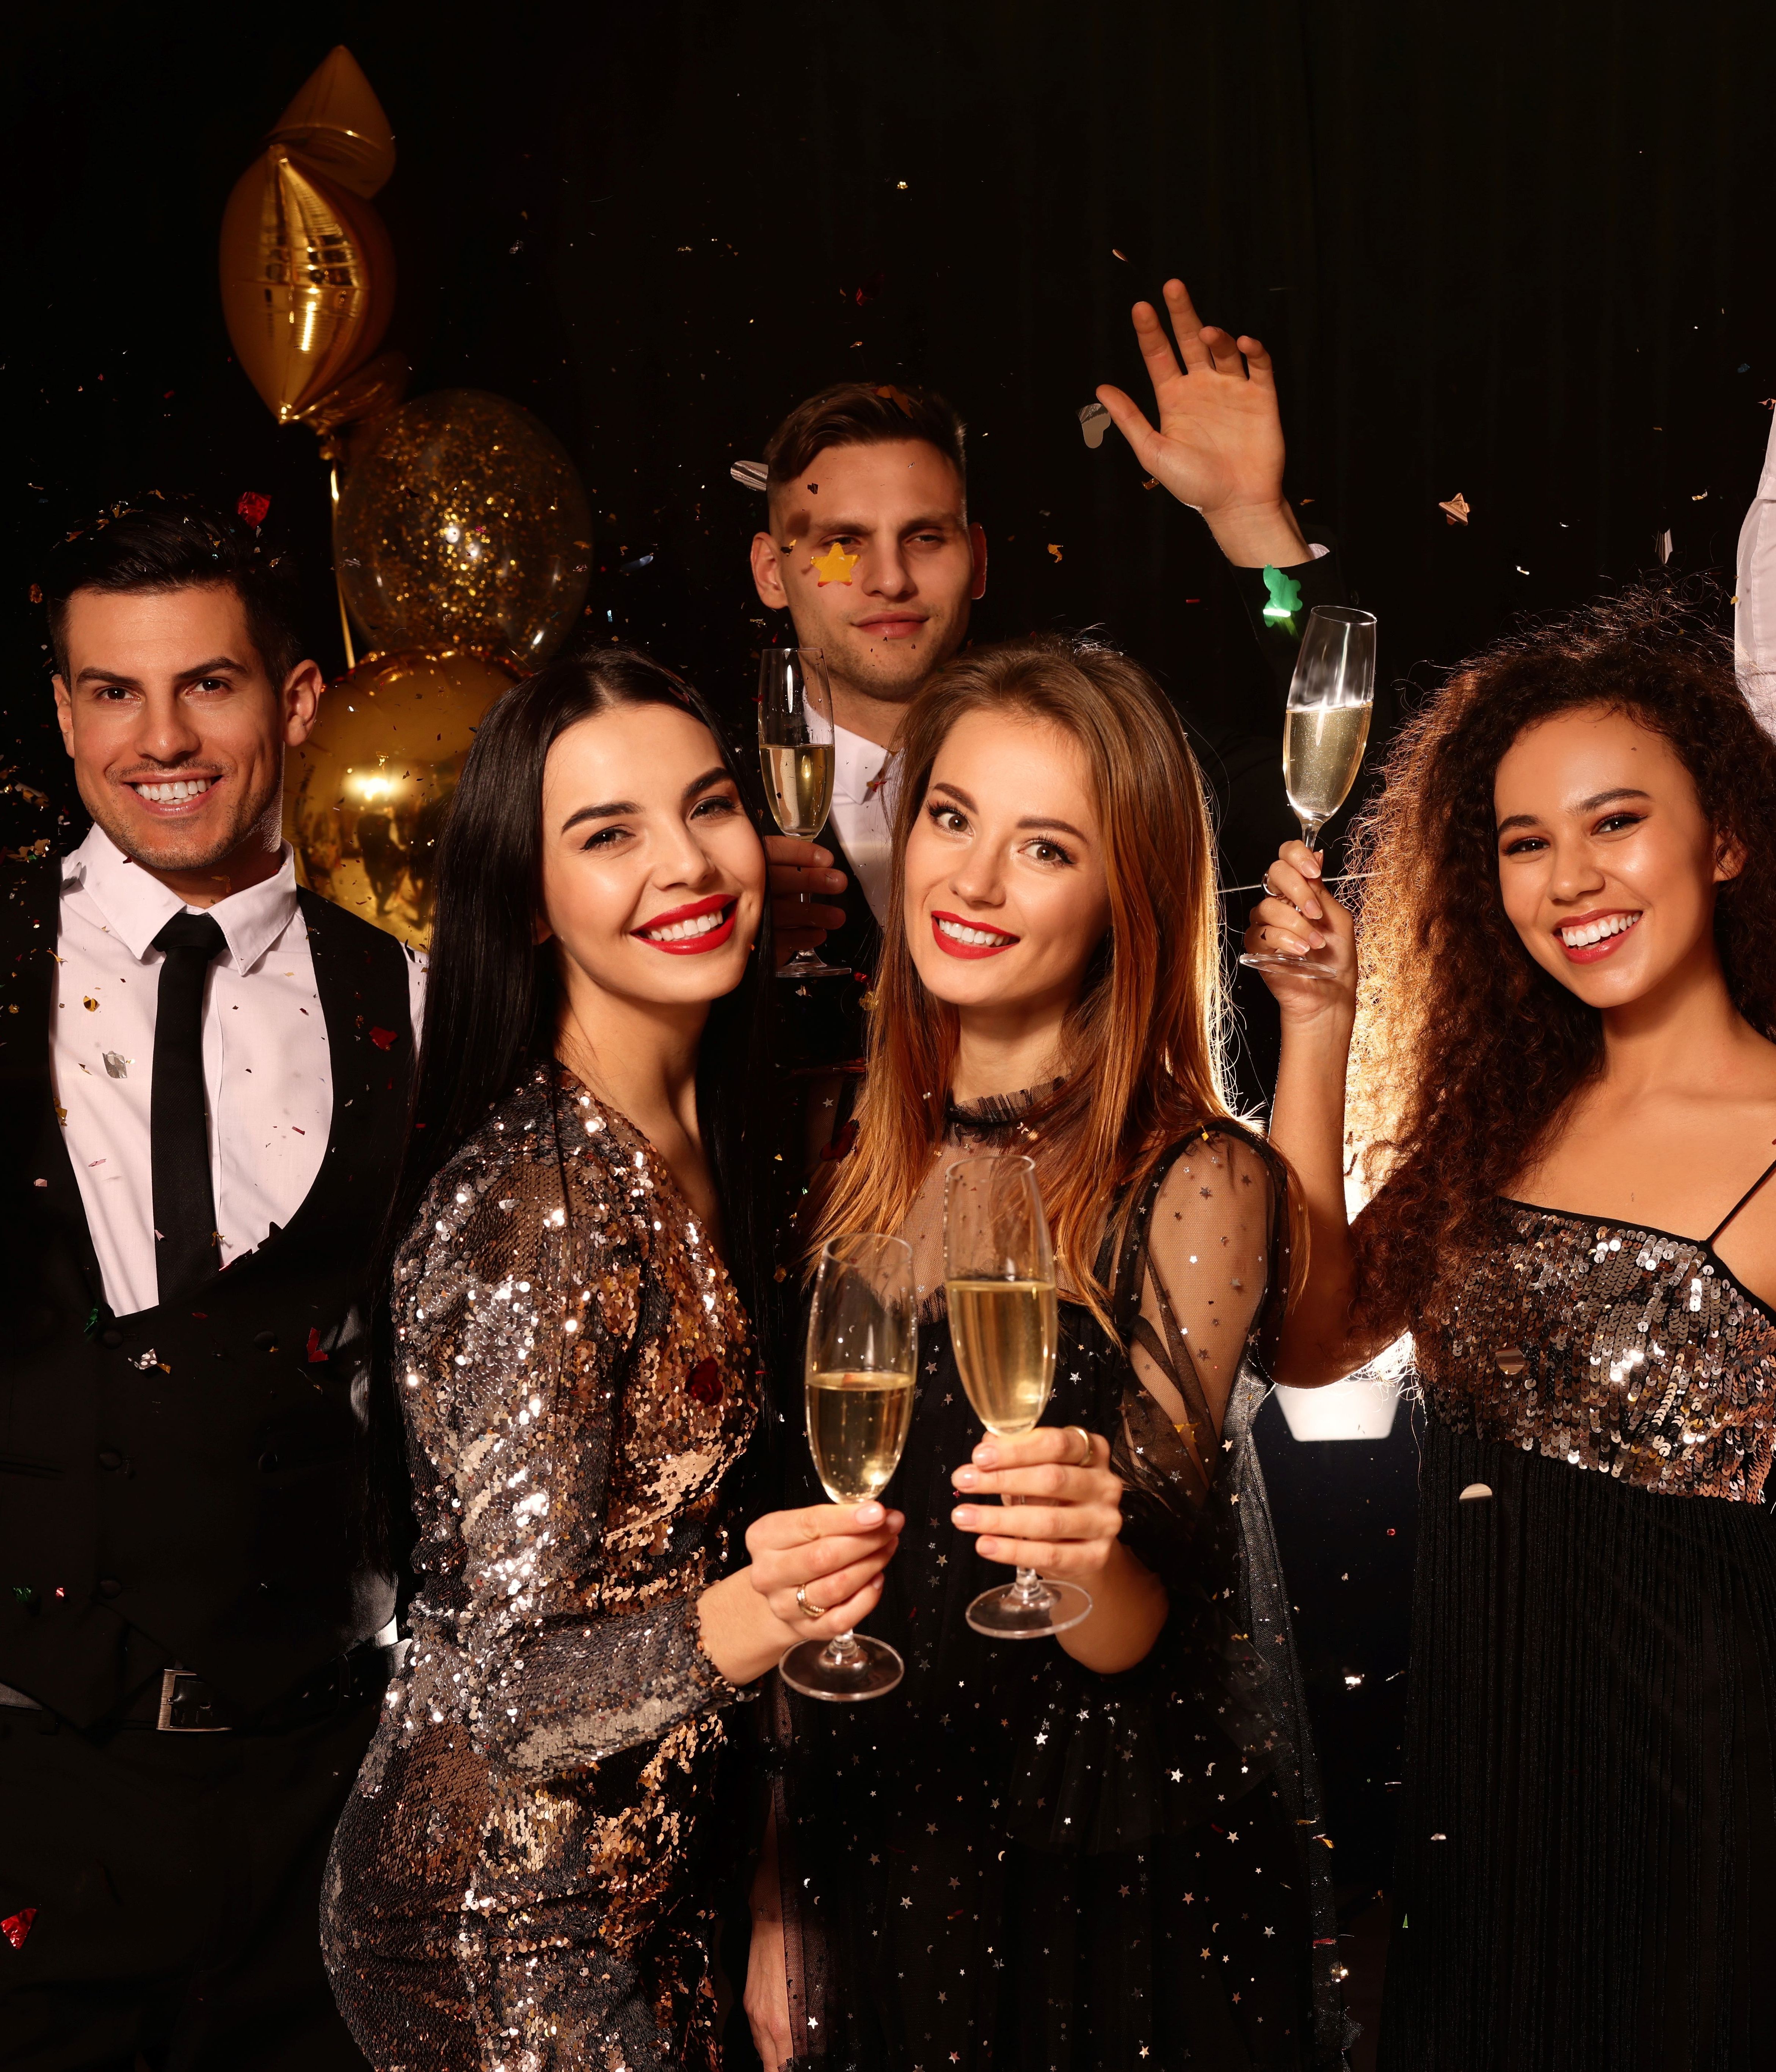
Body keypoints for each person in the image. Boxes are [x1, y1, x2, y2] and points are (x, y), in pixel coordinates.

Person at [743, 635, 1344, 2072]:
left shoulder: (1193, 1182)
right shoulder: (829, 1142)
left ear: (1123, 895)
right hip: (868, 1821)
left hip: (1093, 1861)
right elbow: (788, 1559)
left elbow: (1139, 1623)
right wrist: (770, 1879)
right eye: (951, 818)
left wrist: (1079, 1557)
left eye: (1045, 846)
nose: (974, 881)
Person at [318, 649, 909, 2072]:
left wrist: (769, 1865)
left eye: (705, 808)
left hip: (665, 1879)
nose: (682, 863)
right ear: (527, 901)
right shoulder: (532, 1213)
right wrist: (755, 1615)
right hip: (500, 1924)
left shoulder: (728, 1127)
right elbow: (510, 1693)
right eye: (607, 834)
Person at [1245, 593, 1776, 2068]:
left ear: (1722, 836)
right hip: (1481, 1820)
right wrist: (1313, 1023)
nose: (1566, 878)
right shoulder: (1504, 1119)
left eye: (1615, 824)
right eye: (1523, 840)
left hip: (1708, 1854)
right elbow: (1308, 1338)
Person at [0, 499, 422, 2069]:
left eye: (210, 686)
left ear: (298, 701)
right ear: (62, 709)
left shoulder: (415, 1003)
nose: (159, 737)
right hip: (30, 1803)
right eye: (113, 690)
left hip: (315, 1813)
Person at [751, 280, 1351, 1060]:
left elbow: (1346, 805)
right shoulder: (715, 815)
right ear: (770, 571)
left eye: (925, 537)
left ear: (977, 560)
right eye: (841, 543)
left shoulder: (1093, 733)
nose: (889, 579)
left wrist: (1250, 523)